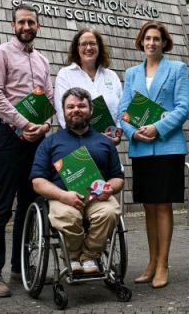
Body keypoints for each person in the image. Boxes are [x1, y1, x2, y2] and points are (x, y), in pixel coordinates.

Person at [0, 3, 54, 297]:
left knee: (29, 204)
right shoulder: (0, 54)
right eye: (21, 22)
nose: (26, 27)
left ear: (38, 26)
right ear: (13, 26)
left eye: (31, 22)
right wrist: (24, 124)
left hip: (37, 140)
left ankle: (20, 267)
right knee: (2, 206)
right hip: (8, 137)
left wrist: (45, 125)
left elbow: (50, 98)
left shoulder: (43, 61)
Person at [118, 20, 189, 289]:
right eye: (147, 38)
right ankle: (150, 262)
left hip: (167, 146)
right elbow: (123, 111)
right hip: (141, 148)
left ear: (164, 43)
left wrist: (157, 128)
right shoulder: (132, 73)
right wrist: (132, 133)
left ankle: (163, 264)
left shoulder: (177, 69)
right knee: (148, 206)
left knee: (163, 205)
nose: (151, 43)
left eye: (156, 39)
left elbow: (183, 107)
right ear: (141, 42)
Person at [30, 87, 124, 275]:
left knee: (110, 212)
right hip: (63, 197)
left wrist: (108, 188)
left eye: (81, 106)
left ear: (91, 110)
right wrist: (62, 196)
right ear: (64, 111)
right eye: (70, 106)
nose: (76, 110)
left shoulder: (105, 142)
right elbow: (37, 181)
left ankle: (89, 256)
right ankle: (72, 256)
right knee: (68, 217)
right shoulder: (50, 142)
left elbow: (118, 178)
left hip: (97, 197)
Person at [54, 28, 122, 144]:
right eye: (84, 44)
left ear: (99, 47)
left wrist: (117, 136)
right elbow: (62, 112)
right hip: (76, 143)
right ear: (77, 48)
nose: (88, 48)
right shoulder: (65, 74)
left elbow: (121, 109)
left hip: (108, 143)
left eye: (92, 43)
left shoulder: (112, 76)